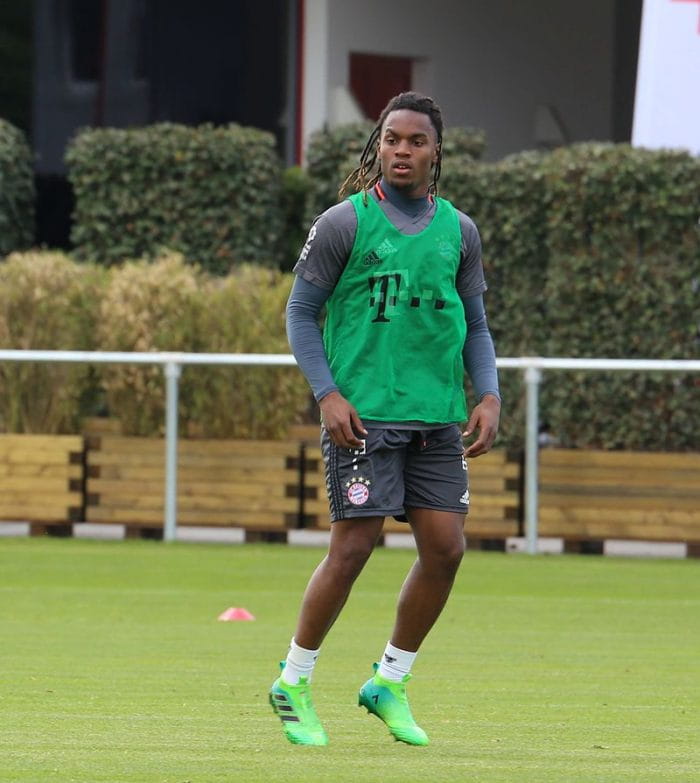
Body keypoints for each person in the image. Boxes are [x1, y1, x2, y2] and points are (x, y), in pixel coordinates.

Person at [269, 91, 501, 747]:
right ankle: (293, 679)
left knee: (447, 549)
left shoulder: (460, 231)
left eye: (416, 141)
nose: (402, 150)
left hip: (436, 418)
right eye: (392, 139)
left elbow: (476, 325)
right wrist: (326, 392)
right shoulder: (344, 223)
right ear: (379, 146)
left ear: (435, 151)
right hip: (363, 418)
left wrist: (487, 394)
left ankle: (389, 680)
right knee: (354, 547)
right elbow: (299, 314)